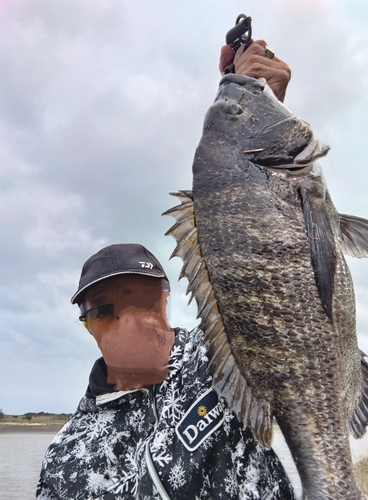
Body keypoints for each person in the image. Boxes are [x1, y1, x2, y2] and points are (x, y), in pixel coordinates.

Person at [36, 43, 295, 500]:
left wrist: (259, 109)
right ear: (88, 327)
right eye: (104, 311)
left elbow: (276, 285)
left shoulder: (224, 355)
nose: (128, 320)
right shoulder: (66, 456)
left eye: (140, 298)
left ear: (165, 298)